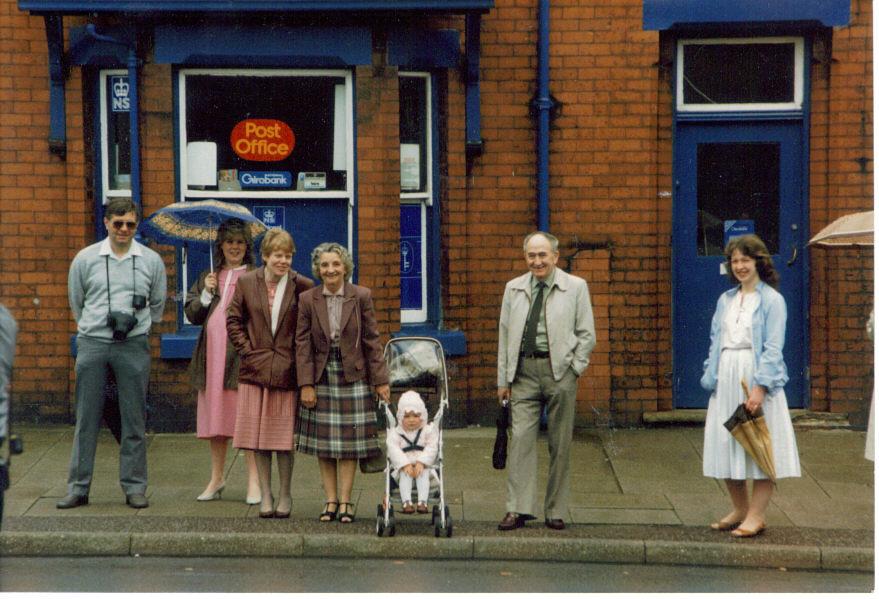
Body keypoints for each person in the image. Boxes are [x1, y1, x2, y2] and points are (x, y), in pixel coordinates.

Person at [58, 197, 167, 509]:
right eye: (117, 223)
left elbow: (157, 305)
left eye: (130, 224)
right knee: (86, 418)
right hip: (93, 343)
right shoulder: (86, 258)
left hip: (133, 345)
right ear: (106, 223)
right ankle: (78, 488)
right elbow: (76, 300)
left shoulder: (150, 261)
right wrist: (93, 327)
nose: (123, 229)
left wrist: (139, 325)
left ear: (136, 225)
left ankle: (135, 487)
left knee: (134, 419)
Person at [701, 234, 801, 538]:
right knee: (727, 442)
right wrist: (711, 373)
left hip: (756, 379)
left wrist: (760, 388)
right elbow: (715, 341)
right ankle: (740, 509)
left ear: (759, 261)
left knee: (761, 446)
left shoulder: (772, 300)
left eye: (746, 259)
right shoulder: (726, 299)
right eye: (734, 261)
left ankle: (756, 515)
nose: (740, 266)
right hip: (727, 376)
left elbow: (773, 348)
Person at [496, 231, 596, 531]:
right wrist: (503, 379)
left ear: (555, 256)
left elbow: (586, 334)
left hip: (559, 373)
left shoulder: (576, 287)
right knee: (520, 443)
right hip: (523, 373)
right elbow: (503, 335)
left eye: (542, 255)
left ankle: (556, 510)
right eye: (531, 255)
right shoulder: (513, 288)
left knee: (560, 443)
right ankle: (518, 509)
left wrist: (573, 369)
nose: (537, 261)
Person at [296, 242, 390, 524]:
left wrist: (381, 381)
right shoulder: (307, 299)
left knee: (349, 444)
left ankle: (347, 501)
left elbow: (372, 340)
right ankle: (330, 501)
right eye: (324, 265)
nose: (330, 270)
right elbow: (301, 344)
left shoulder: (361, 296)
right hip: (321, 374)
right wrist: (306, 384)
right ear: (318, 269)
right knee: (324, 445)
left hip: (353, 375)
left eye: (336, 264)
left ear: (345, 267)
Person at [226, 228, 313, 519]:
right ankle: (266, 494)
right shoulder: (247, 282)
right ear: (264, 256)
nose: (283, 261)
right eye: (277, 255)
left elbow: (307, 331)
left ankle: (286, 493)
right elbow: (234, 320)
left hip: (287, 370)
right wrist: (248, 351)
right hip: (255, 369)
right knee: (258, 438)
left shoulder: (303, 285)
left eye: (288, 255)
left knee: (282, 439)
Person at [184, 218, 260, 504]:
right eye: (229, 242)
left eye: (240, 242)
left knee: (245, 419)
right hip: (211, 358)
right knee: (216, 421)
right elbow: (193, 314)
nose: (234, 247)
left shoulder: (256, 275)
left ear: (247, 246)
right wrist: (205, 292)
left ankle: (254, 480)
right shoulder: (210, 275)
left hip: (239, 358)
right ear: (221, 246)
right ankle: (217, 478)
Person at [386, 390, 438, 514]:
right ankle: (407, 502)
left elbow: (432, 447)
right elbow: (393, 449)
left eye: (416, 416)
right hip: (403, 468)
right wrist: (404, 464)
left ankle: (422, 502)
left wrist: (422, 462)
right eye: (407, 416)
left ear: (422, 416)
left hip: (423, 467)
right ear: (400, 417)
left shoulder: (428, 431)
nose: (411, 420)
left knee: (423, 473)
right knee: (405, 474)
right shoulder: (396, 433)